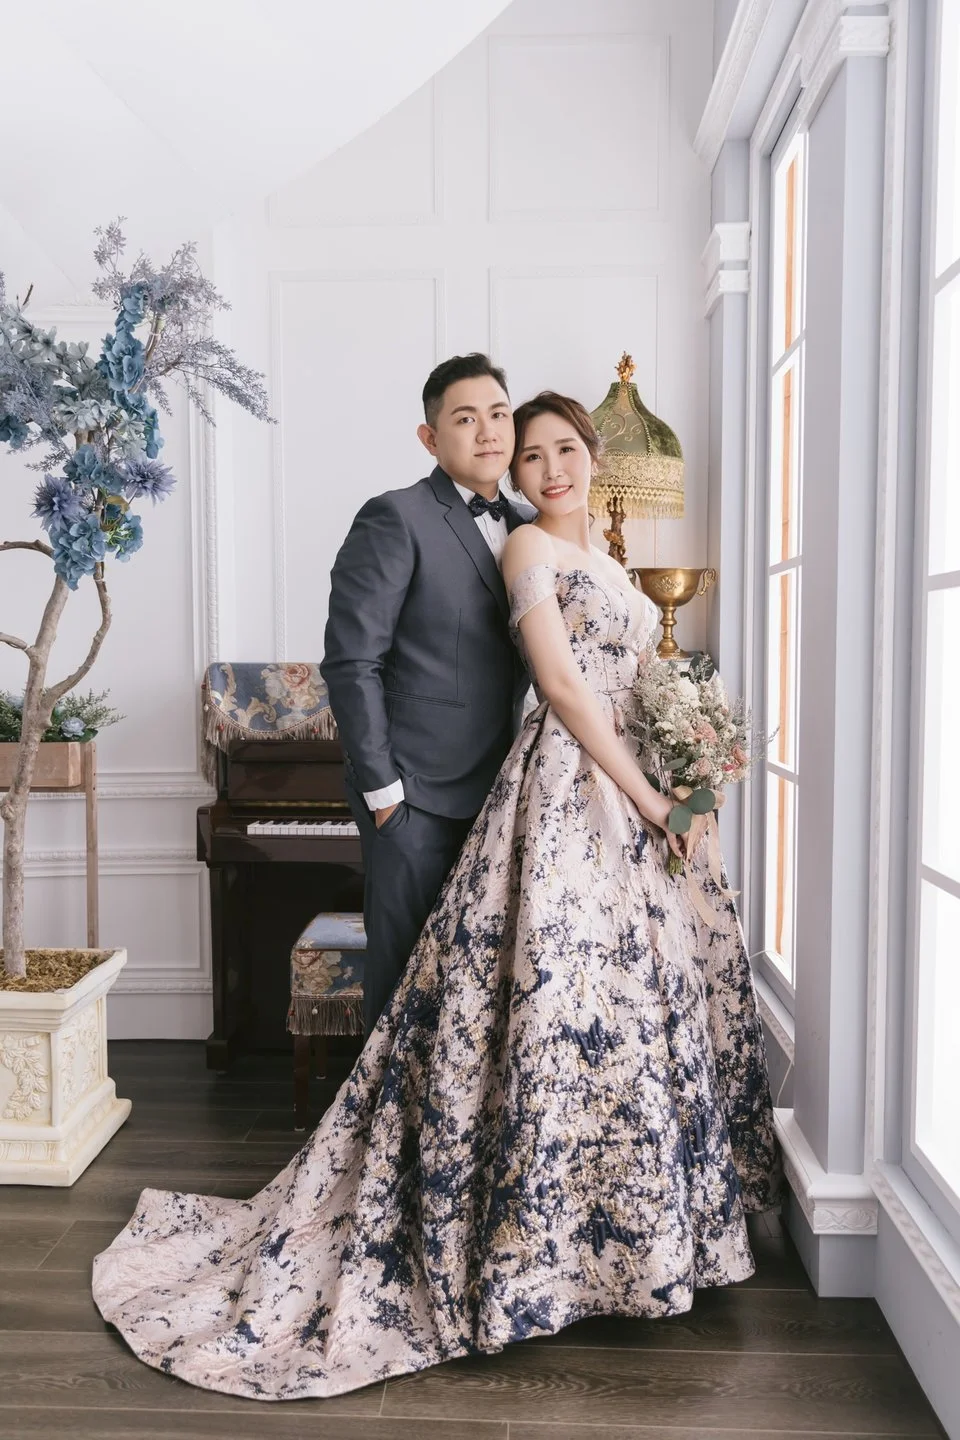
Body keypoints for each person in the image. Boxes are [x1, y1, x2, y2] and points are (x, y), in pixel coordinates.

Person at [92, 391, 780, 1402]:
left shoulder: (607, 558)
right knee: (550, 1007)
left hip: (622, 787)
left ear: (594, 458)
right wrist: (649, 799)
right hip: (565, 788)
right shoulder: (522, 548)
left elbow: (640, 680)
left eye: (563, 448)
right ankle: (521, 1245)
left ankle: (630, 1240)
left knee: (626, 1009)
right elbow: (561, 688)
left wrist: (692, 771)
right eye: (530, 453)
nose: (548, 466)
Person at [320, 352, 532, 1034]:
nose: (488, 431)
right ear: (430, 437)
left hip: (506, 793)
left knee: (481, 981)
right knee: (407, 982)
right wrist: (385, 795)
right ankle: (386, 1107)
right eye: (466, 419)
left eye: (499, 414)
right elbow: (352, 663)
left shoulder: (530, 525)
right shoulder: (396, 517)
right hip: (416, 797)